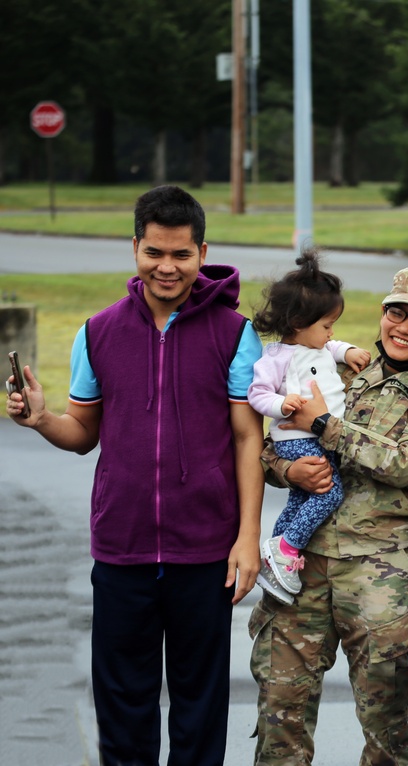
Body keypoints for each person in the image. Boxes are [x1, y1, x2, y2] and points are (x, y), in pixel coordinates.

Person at [3, 185, 264, 766]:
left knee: (199, 706)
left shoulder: (234, 332)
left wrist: (247, 538)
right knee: (123, 704)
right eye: (154, 253)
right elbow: (82, 434)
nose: (166, 267)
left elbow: (249, 438)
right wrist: (43, 418)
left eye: (180, 254)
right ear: (135, 249)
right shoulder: (97, 333)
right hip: (121, 550)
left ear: (202, 252)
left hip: (205, 551)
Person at [250, 268, 408, 766]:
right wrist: (290, 469)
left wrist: (324, 425)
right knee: (280, 708)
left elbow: (404, 463)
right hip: (300, 566)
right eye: (397, 312)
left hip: (382, 576)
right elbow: (270, 445)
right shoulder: (334, 368)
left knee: (385, 721)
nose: (404, 327)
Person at [247, 250, 371, 603]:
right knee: (329, 492)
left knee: (302, 497)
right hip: (297, 438)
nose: (332, 333)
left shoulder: (316, 344)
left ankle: (275, 555)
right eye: (327, 325)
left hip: (317, 436)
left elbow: (331, 346)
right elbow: (257, 393)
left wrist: (346, 352)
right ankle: (287, 549)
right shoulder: (278, 357)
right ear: (299, 324)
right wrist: (279, 404)